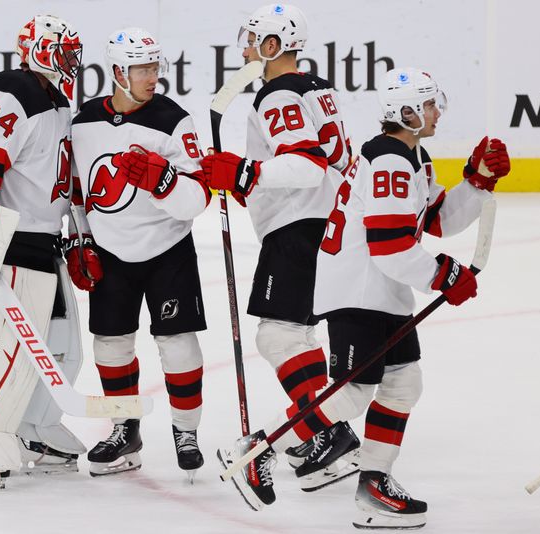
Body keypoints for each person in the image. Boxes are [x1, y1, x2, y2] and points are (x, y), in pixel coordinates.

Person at [274, 67, 509, 528]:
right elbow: (390, 245)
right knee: (351, 392)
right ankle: (263, 449)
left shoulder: (412, 157)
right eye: (428, 105)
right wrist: (445, 274)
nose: (436, 111)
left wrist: (476, 182)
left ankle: (374, 485)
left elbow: (435, 220)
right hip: (360, 290)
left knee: (403, 384)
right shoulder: (389, 162)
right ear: (405, 111)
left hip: (382, 290)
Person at [203, 4, 358, 510]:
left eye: (252, 41)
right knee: (297, 333)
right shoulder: (317, 88)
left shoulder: (278, 92)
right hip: (330, 224)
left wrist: (246, 175)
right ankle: (323, 439)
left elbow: (306, 164)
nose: (244, 49)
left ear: (273, 47)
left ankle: (319, 432)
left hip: (300, 226)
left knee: (278, 333)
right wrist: (251, 180)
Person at [0, 14, 90, 488]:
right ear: (39, 49)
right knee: (3, 352)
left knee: (63, 350)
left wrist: (80, 234)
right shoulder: (13, 92)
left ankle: (34, 428)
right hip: (12, 244)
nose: (72, 61)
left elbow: (60, 181)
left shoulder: (55, 100)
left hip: (47, 245)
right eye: (63, 50)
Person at [68, 27, 211, 481]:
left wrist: (166, 183)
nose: (153, 76)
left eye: (155, 66)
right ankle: (123, 430)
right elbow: (76, 191)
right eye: (142, 68)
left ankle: (186, 432)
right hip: (110, 252)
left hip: (167, 249)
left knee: (178, 343)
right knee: (110, 345)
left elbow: (199, 197)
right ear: (117, 72)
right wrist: (81, 238)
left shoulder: (173, 119)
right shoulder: (83, 122)